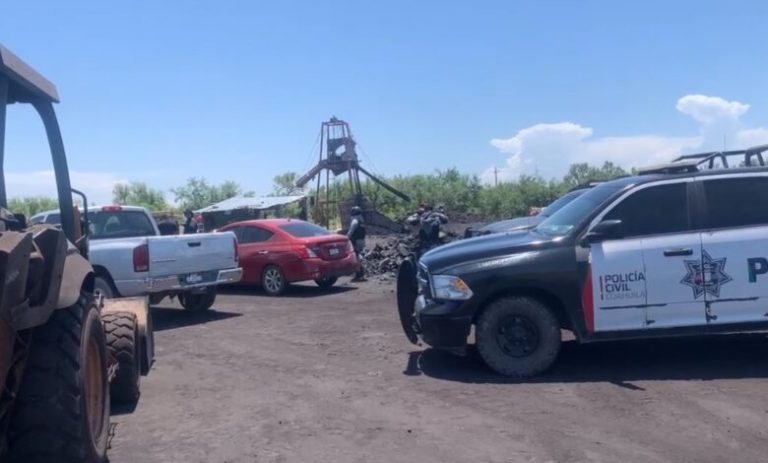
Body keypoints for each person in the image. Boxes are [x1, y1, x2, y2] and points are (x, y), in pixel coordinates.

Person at [347, 206, 367, 282]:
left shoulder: (355, 221)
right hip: (362, 240)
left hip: (356, 241)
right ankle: (360, 272)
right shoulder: (361, 221)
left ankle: (359, 273)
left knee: (356, 257)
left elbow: (350, 232)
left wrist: (346, 238)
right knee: (358, 256)